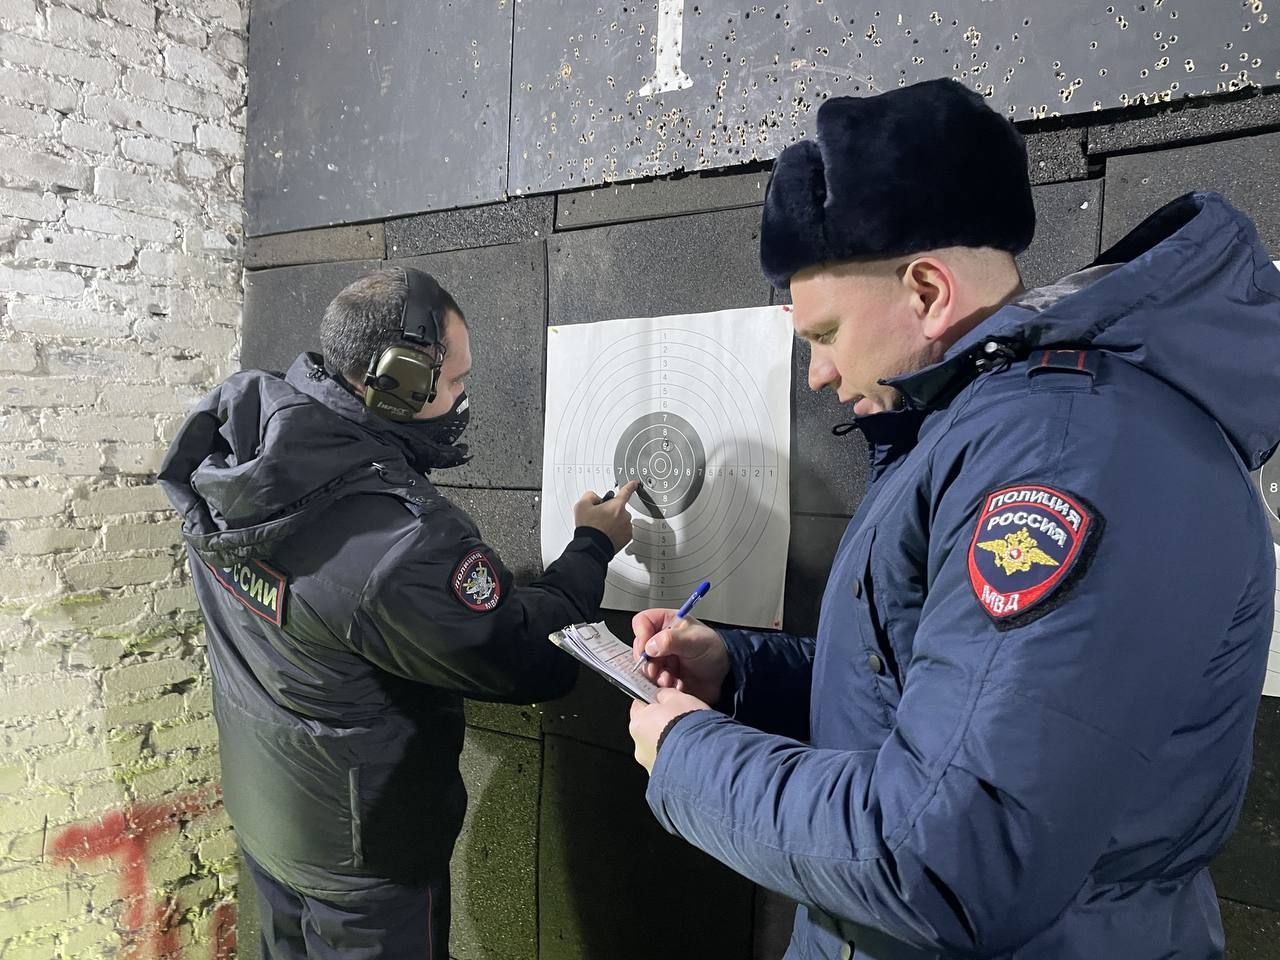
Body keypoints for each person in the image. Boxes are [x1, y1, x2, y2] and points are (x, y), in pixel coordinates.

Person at [627, 78, 1280, 959]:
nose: (818, 373)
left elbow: (947, 859)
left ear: (927, 290)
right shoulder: (991, 429)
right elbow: (931, 689)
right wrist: (740, 673)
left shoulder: (1061, 455)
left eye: (822, 335)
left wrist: (688, 757)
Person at [159, 267, 637, 959]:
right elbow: (522, 655)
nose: (463, 398)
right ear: (396, 381)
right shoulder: (403, 540)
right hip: (364, 860)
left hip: (271, 818)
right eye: (451, 383)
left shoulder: (243, 459)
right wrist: (593, 545)